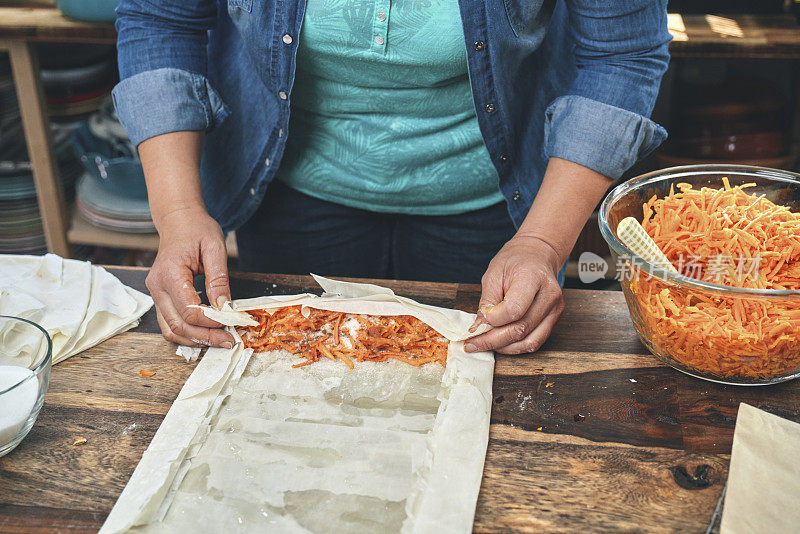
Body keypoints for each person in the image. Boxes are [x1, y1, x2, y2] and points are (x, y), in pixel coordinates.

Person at [112, 0, 670, 354]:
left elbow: (620, 56)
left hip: (497, 204)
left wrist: (542, 242)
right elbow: (160, 20)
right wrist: (179, 213)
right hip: (289, 192)